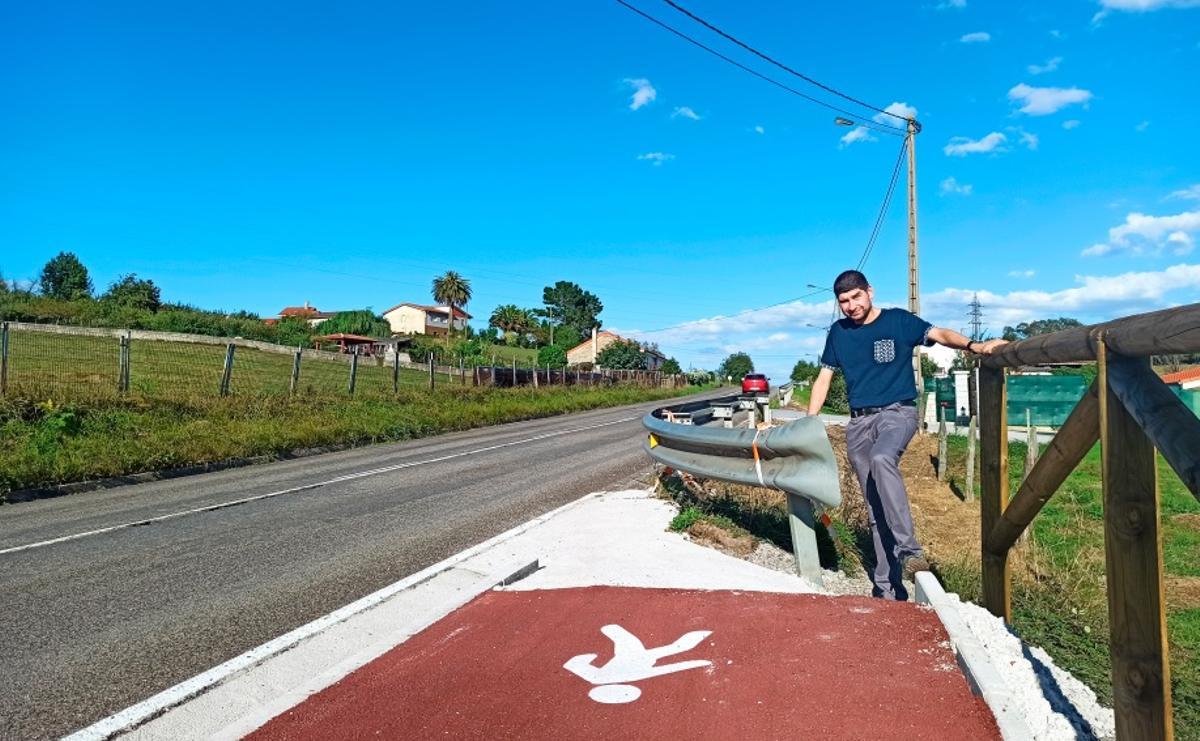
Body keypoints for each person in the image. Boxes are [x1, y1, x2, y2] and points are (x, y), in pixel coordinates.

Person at [805, 270, 1005, 600]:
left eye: (856, 297)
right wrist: (809, 422)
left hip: (897, 413)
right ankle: (887, 588)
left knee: (884, 458)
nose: (851, 306)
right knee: (874, 508)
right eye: (844, 302)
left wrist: (975, 346)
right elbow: (823, 378)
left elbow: (938, 333)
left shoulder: (898, 321)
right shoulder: (838, 334)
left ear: (870, 292)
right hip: (859, 424)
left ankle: (909, 550)